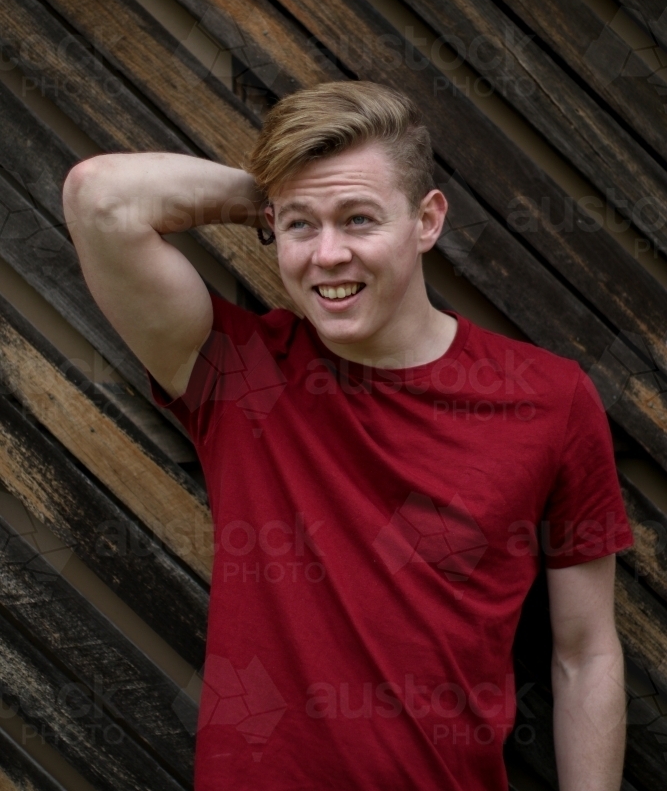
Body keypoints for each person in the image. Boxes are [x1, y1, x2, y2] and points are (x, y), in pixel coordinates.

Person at [63, 80, 634, 791]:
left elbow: (585, 656)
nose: (327, 256)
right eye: (301, 228)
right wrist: (275, 200)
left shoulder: (547, 398)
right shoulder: (237, 376)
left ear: (426, 221)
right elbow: (100, 195)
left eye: (359, 219)